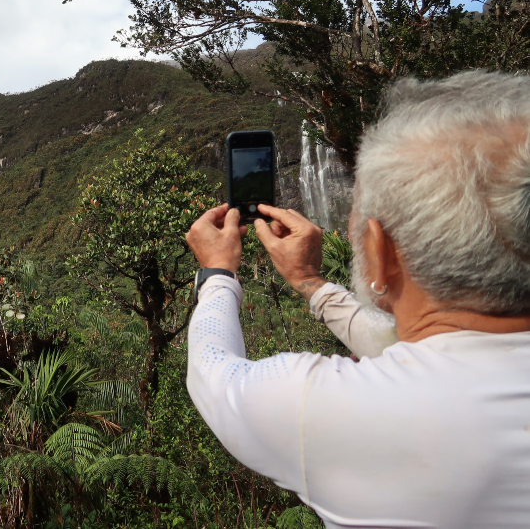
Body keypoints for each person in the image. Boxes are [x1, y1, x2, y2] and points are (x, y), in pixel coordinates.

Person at [184, 71, 530, 528]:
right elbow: (401, 346)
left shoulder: (320, 408)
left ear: (379, 252)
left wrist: (217, 270)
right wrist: (308, 280)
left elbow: (211, 371)